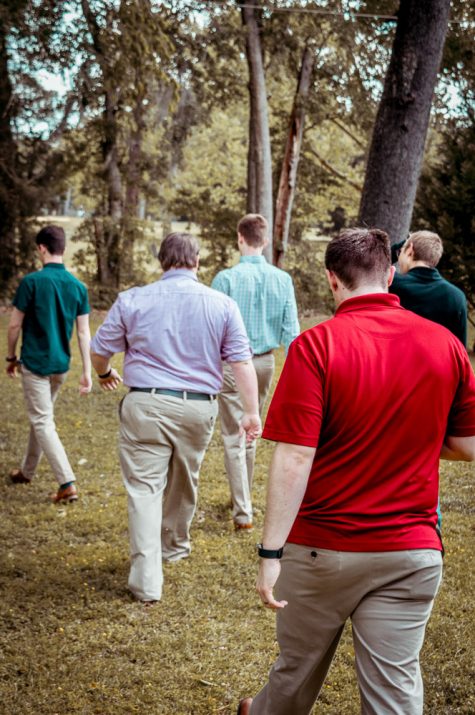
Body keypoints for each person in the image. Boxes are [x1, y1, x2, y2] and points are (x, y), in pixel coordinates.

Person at [237, 228, 475, 715]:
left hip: (324, 547)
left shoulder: (316, 345)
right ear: (390, 276)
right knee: (394, 691)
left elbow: (296, 455)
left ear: (332, 280)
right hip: (412, 551)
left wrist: (270, 551)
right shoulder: (447, 345)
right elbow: (467, 444)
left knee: (296, 671)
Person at [90, 232, 261, 604]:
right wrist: (251, 411)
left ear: (163, 261)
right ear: (196, 262)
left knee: (144, 490)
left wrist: (104, 373)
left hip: (145, 405)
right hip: (197, 407)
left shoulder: (132, 299)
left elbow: (99, 350)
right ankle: (174, 547)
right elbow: (241, 362)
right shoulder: (222, 304)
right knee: (185, 478)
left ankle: (148, 578)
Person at [211, 214, 300, 529]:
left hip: (234, 364)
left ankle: (243, 512)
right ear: (265, 241)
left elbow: (213, 329)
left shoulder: (226, 279)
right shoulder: (282, 279)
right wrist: (296, 375)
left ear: (240, 238)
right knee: (250, 429)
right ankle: (242, 496)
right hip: (265, 363)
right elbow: (292, 332)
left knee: (234, 434)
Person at [6, 224, 92, 503]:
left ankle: (67, 482)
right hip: (61, 367)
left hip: (36, 364)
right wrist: (88, 372)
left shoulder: (31, 282)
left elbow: (14, 325)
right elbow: (83, 332)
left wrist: (10, 357)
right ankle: (27, 471)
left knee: (42, 420)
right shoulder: (78, 287)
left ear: (41, 248)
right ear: (63, 249)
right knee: (41, 418)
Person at [390, 230, 467, 346]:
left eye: (400, 252)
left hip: (394, 361)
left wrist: (402, 244)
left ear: (410, 250)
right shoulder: (456, 297)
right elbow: (460, 350)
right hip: (435, 363)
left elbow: (375, 264)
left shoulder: (392, 284)